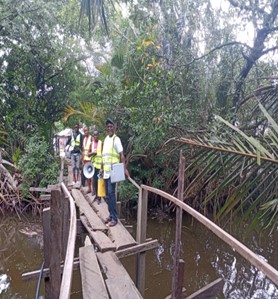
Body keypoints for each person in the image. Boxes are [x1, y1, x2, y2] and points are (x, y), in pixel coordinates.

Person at [101, 118, 129, 226]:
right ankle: (111, 214)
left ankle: (115, 218)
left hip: (114, 170)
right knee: (108, 194)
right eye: (108, 126)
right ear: (106, 128)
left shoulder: (116, 139)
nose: (109, 128)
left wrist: (125, 169)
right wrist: (102, 169)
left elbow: (122, 155)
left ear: (114, 127)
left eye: (111, 126)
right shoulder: (106, 139)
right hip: (106, 171)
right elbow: (104, 156)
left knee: (111, 193)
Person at [89, 130, 103, 203]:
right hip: (93, 165)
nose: (96, 136)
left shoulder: (101, 143)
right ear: (93, 136)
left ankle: (99, 197)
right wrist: (92, 153)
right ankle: (96, 196)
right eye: (94, 135)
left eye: (97, 135)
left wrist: (101, 167)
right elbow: (88, 154)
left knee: (99, 182)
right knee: (94, 181)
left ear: (98, 135)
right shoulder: (91, 144)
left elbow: (103, 155)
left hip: (99, 166)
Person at [82, 126, 93, 193]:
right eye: (85, 131)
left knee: (91, 174)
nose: (86, 132)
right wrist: (82, 160)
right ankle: (89, 188)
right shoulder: (84, 139)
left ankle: (93, 189)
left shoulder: (91, 138)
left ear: (89, 131)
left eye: (87, 130)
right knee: (87, 174)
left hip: (90, 159)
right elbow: (83, 150)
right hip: (85, 159)